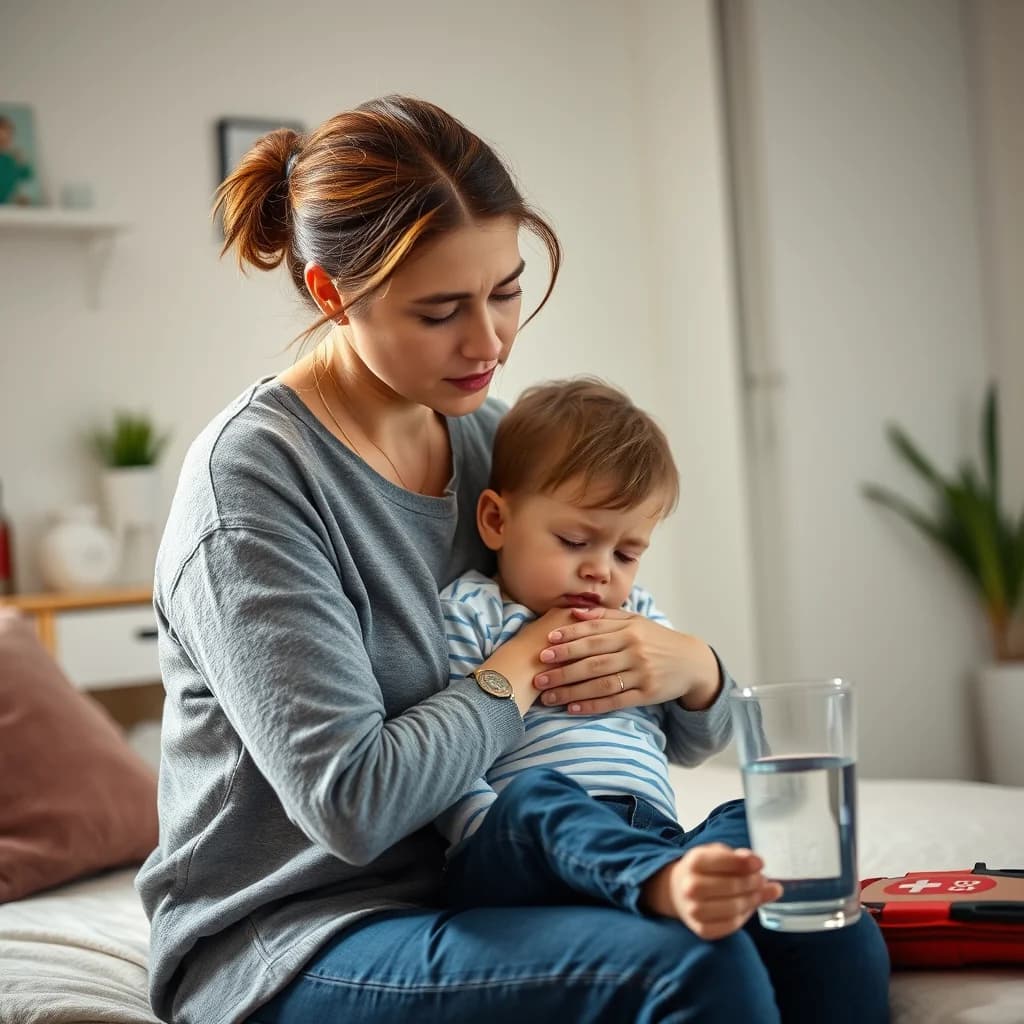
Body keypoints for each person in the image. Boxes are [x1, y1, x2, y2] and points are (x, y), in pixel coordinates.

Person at [136, 94, 890, 1024]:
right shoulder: (251, 486)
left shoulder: (493, 438)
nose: (489, 341)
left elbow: (657, 717)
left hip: (493, 888)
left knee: (826, 922)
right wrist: (528, 658)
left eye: (505, 292)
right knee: (689, 970)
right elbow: (353, 806)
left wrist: (691, 666)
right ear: (331, 294)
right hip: (300, 931)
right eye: (441, 311)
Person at [435, 377, 751, 925]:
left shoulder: (638, 617)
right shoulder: (469, 612)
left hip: (651, 835)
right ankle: (657, 885)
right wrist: (492, 831)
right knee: (537, 798)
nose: (600, 570)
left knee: (757, 814)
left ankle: (690, 888)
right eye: (575, 542)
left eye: (627, 554)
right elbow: (445, 763)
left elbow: (695, 744)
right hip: (528, 842)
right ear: (496, 521)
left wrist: (702, 674)